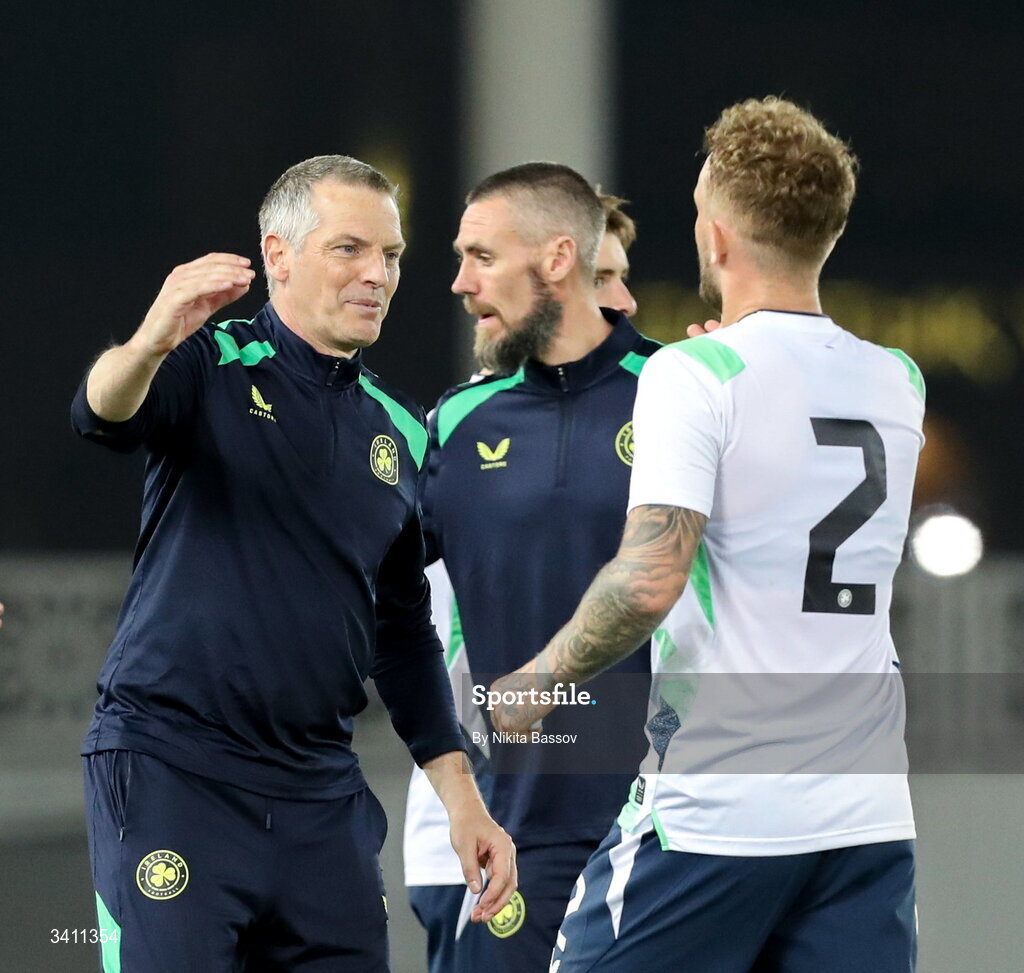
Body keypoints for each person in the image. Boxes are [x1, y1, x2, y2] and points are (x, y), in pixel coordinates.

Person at [492, 97, 924, 972]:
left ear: (718, 236)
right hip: (866, 819)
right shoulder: (898, 379)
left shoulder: (697, 371)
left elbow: (648, 581)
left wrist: (532, 684)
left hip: (722, 809)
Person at [71, 155, 515, 972]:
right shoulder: (209, 362)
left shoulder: (401, 429)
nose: (377, 274)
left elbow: (403, 629)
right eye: (350, 249)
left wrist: (463, 797)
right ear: (278, 255)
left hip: (319, 790)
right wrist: (151, 337)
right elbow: (102, 413)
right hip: (175, 769)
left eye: (390, 255)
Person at [410, 166, 657, 972]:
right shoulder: (458, 418)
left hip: (669, 824)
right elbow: (364, 583)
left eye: (480, 256)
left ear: (556, 259)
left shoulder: (678, 391)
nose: (459, 281)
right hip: (516, 832)